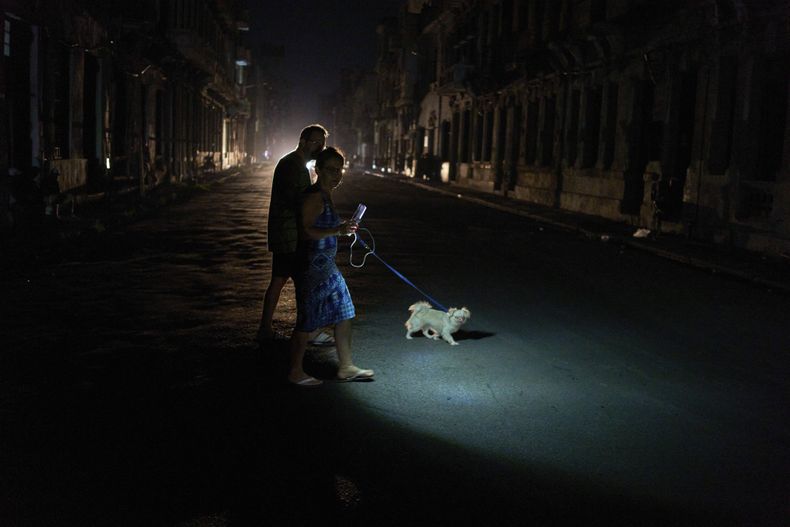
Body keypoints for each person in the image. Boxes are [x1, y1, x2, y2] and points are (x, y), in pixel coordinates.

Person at [288, 147, 374, 386]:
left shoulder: (325, 196)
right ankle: (295, 371)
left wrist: (344, 226)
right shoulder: (314, 196)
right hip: (311, 268)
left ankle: (346, 367)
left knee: (345, 311)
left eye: (340, 170)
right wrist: (338, 230)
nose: (337, 175)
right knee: (306, 322)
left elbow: (323, 226)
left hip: (327, 268)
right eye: (331, 170)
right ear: (318, 170)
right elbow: (305, 232)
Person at [257, 124, 332, 343]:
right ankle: (308, 331)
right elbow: (297, 201)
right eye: (316, 142)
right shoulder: (292, 165)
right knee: (303, 283)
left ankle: (266, 329)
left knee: (281, 280)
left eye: (322, 143)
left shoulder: (297, 164)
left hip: (288, 233)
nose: (320, 146)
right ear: (303, 141)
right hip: (290, 234)